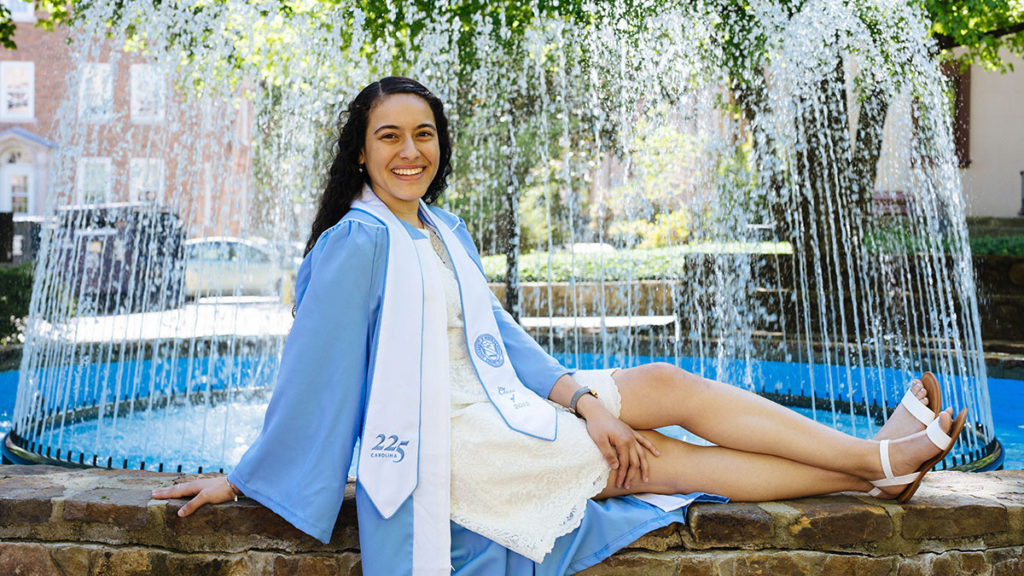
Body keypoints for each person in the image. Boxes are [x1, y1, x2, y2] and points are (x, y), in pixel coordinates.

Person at [153, 77, 967, 575]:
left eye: (423, 134)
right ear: (361, 155)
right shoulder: (355, 245)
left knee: (667, 386)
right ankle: (875, 466)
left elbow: (507, 347)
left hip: (502, 402)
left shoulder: (444, 231)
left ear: (441, 145)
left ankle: (872, 458)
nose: (410, 152)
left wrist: (585, 401)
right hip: (453, 443)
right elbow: (312, 377)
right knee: (660, 462)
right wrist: (245, 474)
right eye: (389, 138)